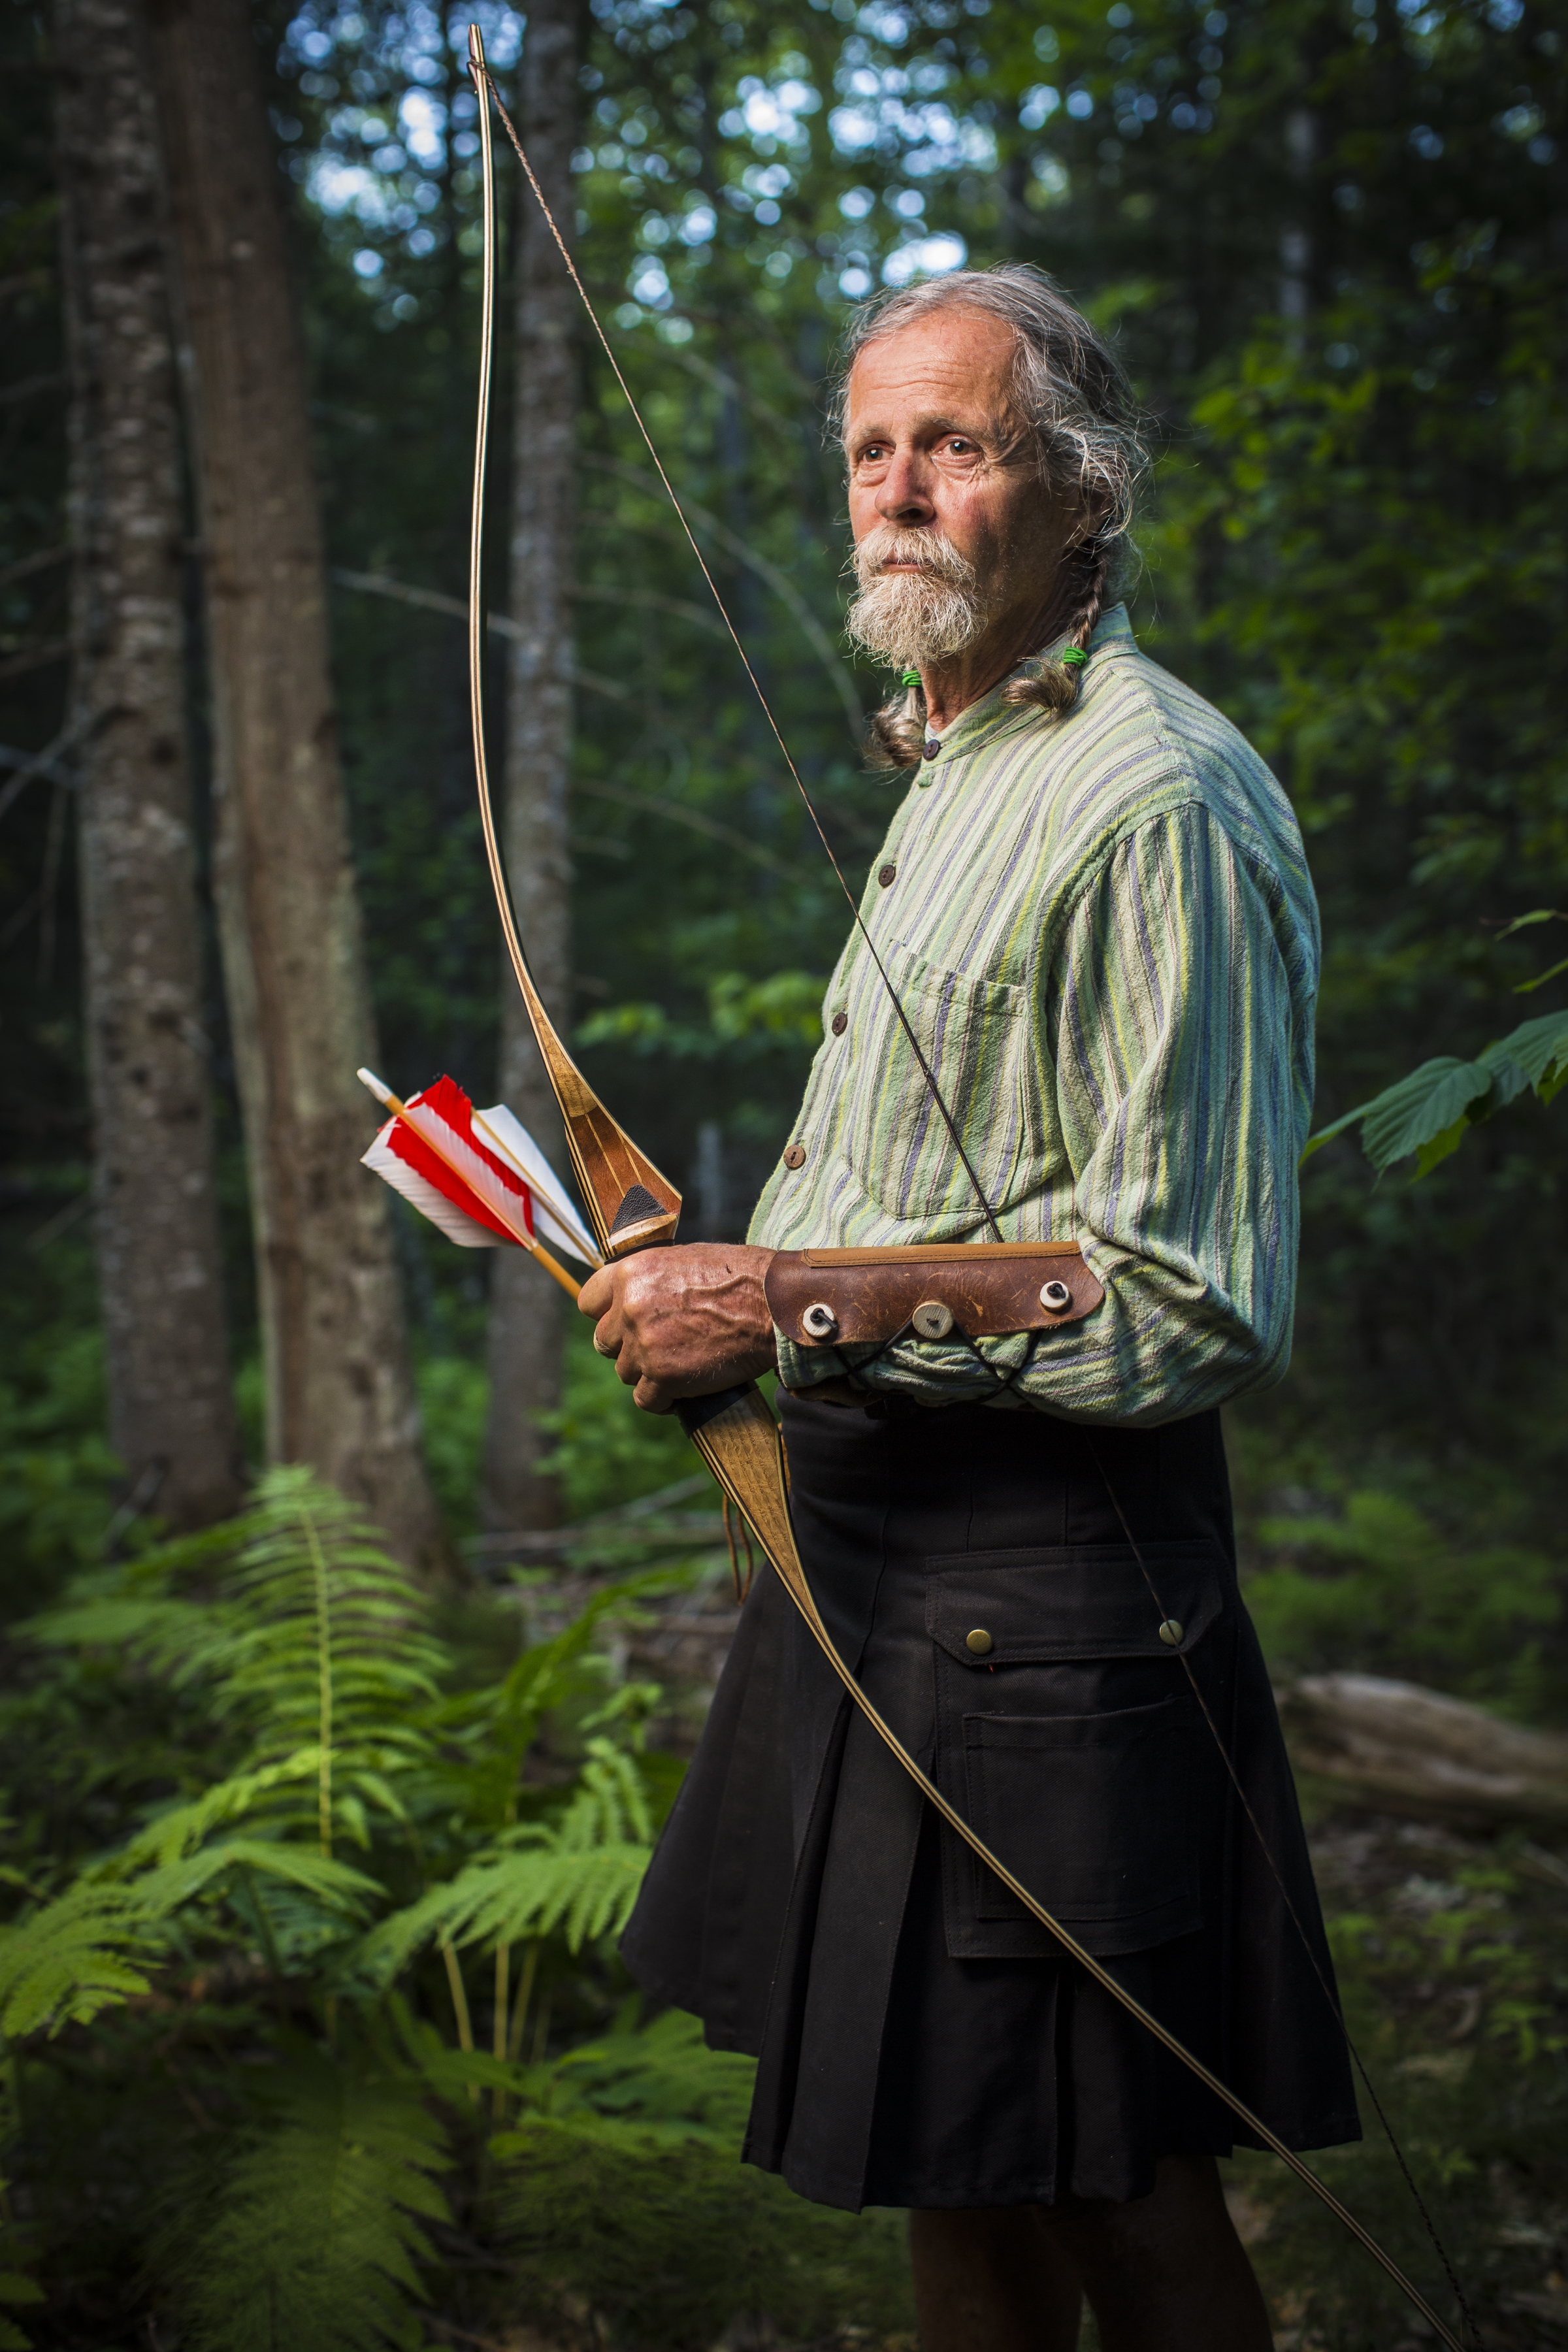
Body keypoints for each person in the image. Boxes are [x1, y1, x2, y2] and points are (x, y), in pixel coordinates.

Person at [579, 264, 1358, 2352]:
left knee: (1114, 2178)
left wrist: (788, 1301)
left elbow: (1190, 1301)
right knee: (954, 2152)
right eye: (868, 452)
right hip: (880, 1566)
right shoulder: (958, 760)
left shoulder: (1158, 799)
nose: (898, 494)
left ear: (1080, 491)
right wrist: (727, 1283)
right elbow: (946, 1192)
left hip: (1059, 1594)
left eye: (957, 445)